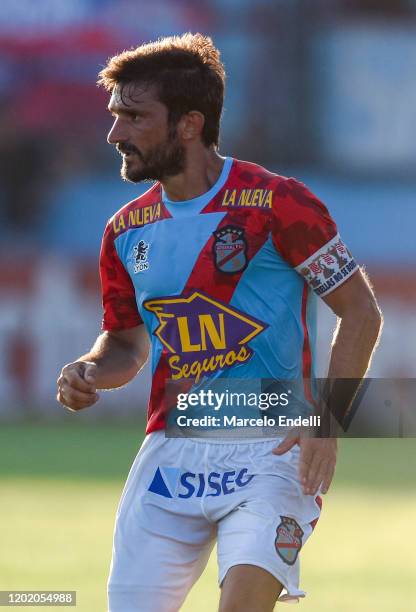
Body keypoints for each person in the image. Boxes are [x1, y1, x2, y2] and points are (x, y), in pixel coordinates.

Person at [57, 33, 382, 612]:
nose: (115, 135)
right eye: (114, 117)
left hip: (271, 449)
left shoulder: (279, 203)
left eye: (133, 117)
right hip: (171, 456)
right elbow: (126, 347)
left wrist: (327, 425)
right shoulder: (124, 230)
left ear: (188, 125)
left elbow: (360, 311)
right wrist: (88, 370)